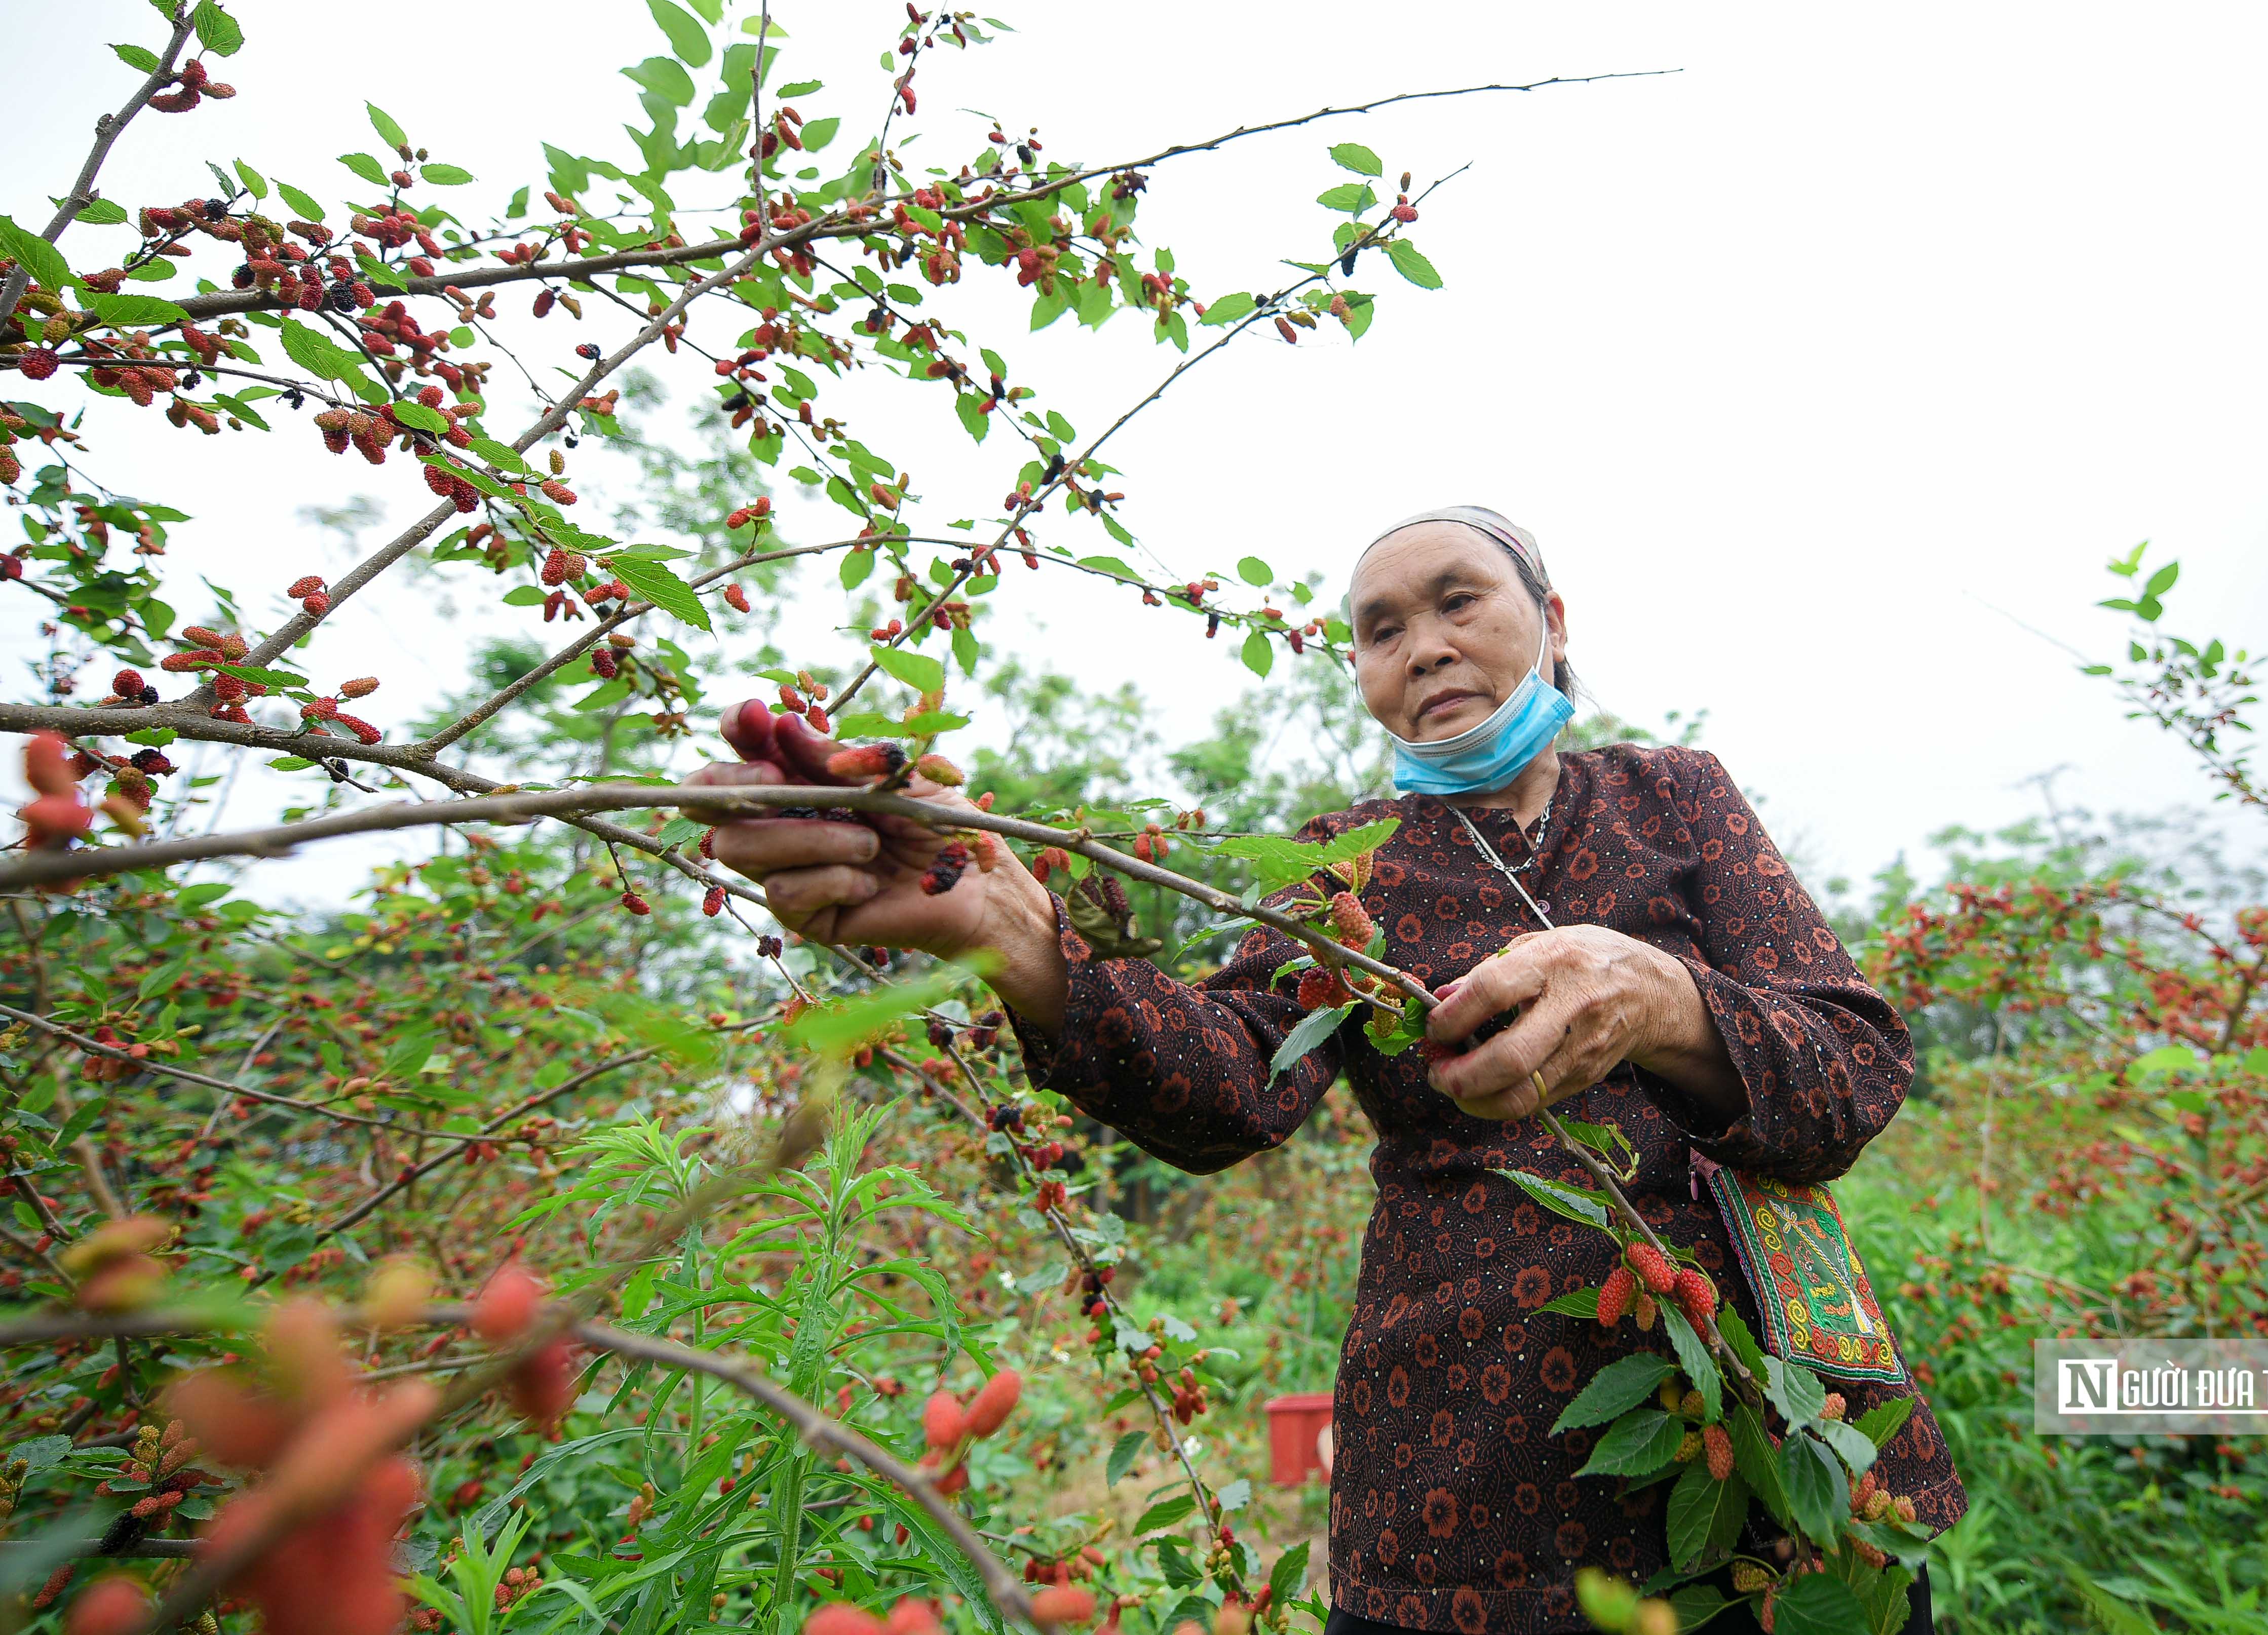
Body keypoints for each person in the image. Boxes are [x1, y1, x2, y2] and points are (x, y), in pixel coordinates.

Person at [688, 507, 1964, 1635]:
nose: (1422, 646)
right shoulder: (1344, 866)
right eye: (1379, 628)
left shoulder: (1676, 799)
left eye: (1459, 600)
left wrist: (1666, 1000)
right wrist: (1024, 946)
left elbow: (1852, 1070)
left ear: (1554, 619)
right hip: (1463, 1469)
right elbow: (1231, 1084)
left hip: (1777, 1429)